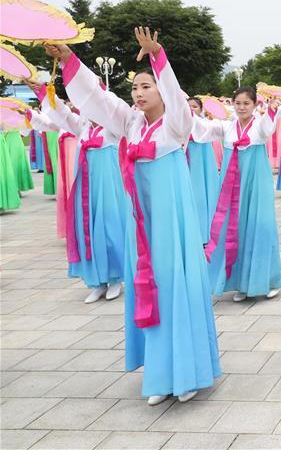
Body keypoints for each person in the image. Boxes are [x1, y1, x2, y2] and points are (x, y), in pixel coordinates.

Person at [44, 28, 220, 405]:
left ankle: (186, 371)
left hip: (171, 224)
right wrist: (68, 59)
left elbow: (175, 96)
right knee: (147, 287)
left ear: (161, 91)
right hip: (141, 224)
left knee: (173, 285)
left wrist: (158, 56)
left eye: (146, 86)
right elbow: (97, 98)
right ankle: (159, 372)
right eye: (135, 88)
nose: (138, 93)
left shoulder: (176, 124)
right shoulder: (131, 123)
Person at [26, 81, 130, 304]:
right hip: (84, 187)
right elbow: (60, 114)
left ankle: (115, 279)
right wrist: (42, 91)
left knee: (109, 228)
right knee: (88, 230)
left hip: (108, 188)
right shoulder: (82, 126)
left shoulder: (113, 128)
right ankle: (96, 281)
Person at [192, 87, 281, 301]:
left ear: (254, 105)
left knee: (260, 226)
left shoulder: (259, 125)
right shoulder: (227, 127)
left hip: (255, 182)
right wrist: (183, 111)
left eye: (246, 103)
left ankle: (269, 280)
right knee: (235, 229)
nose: (242, 107)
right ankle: (241, 283)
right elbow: (202, 128)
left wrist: (271, 110)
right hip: (231, 185)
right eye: (238, 103)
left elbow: (268, 128)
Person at [186, 97, 221, 238]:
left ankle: (205, 231)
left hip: (201, 165)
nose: (191, 109)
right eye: (188, 106)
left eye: (194, 106)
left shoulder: (205, 124)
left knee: (202, 193)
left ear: (201, 109)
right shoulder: (181, 125)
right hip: (188, 166)